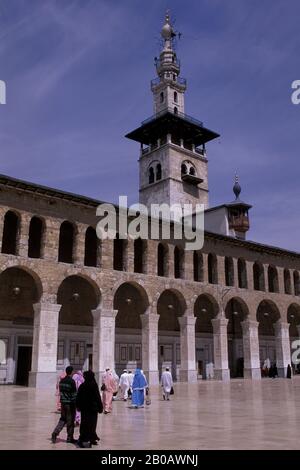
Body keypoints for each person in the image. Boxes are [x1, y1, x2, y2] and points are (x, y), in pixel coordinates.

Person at [76, 370, 103, 448]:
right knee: (92, 424)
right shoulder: (94, 385)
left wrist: (78, 406)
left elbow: (78, 397)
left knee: (84, 424)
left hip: (85, 409)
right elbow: (98, 397)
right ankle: (90, 438)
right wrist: (100, 407)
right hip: (93, 409)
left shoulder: (83, 386)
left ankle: (85, 439)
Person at [51, 366, 77, 444]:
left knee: (63, 419)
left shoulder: (62, 381)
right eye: (73, 371)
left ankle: (55, 432)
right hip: (70, 404)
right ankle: (70, 438)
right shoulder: (72, 381)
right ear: (71, 372)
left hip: (63, 403)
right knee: (70, 421)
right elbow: (74, 394)